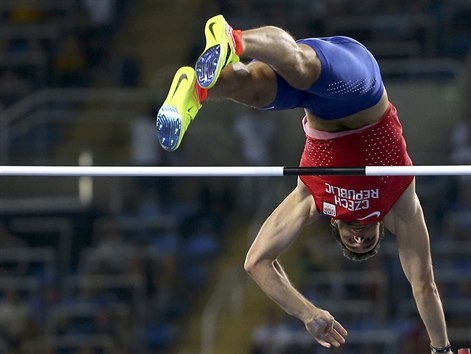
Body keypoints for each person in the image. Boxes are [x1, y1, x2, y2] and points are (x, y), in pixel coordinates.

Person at [156, 14, 452, 353]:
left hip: (315, 106)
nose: (359, 236)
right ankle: (233, 39)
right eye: (367, 239)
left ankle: (193, 89)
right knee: (301, 68)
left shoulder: (312, 197)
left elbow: (256, 261)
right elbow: (423, 285)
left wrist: (307, 313)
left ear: (336, 228)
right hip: (359, 88)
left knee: (249, 88)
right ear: (380, 228)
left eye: (352, 242)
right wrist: (441, 348)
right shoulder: (398, 203)